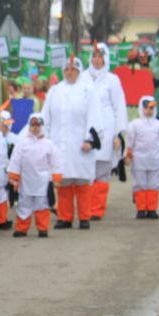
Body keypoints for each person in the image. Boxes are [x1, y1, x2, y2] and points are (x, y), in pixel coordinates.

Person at [42, 56, 103, 230]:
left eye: (73, 70)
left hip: (80, 144)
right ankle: (65, 217)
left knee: (82, 181)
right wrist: (44, 138)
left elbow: (94, 115)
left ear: (78, 71)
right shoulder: (55, 91)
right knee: (64, 181)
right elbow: (46, 116)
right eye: (67, 69)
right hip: (58, 144)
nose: (70, 73)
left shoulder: (87, 90)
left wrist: (90, 140)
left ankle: (84, 217)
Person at [83, 44, 127, 222]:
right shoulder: (83, 77)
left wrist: (118, 134)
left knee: (101, 171)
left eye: (100, 56)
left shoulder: (112, 80)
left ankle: (96, 209)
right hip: (86, 130)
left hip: (106, 130)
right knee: (85, 171)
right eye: (94, 56)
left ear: (105, 58)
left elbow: (120, 107)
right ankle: (85, 208)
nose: (97, 60)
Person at [8, 114, 63, 238]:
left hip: (42, 181)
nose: (35, 128)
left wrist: (57, 177)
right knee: (23, 206)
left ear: (42, 127)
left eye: (38, 125)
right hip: (26, 181)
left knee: (42, 206)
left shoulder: (49, 144)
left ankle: (43, 229)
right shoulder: (21, 144)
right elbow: (15, 160)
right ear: (29, 127)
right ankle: (21, 229)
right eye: (33, 126)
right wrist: (13, 175)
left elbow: (56, 162)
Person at [125, 97, 159, 219]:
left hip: (155, 161)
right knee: (139, 184)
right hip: (139, 161)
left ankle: (152, 209)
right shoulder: (134, 125)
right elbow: (130, 142)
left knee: (153, 184)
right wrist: (128, 156)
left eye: (151, 108)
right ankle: (141, 209)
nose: (149, 111)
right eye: (146, 108)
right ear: (141, 108)